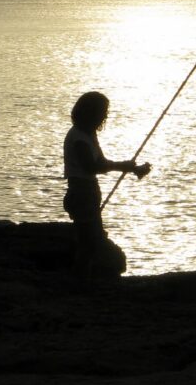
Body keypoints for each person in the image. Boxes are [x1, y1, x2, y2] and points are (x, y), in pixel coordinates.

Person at [62, 91, 150, 277]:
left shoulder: (88, 134)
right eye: (102, 112)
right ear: (90, 112)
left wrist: (132, 169)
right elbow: (91, 167)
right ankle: (79, 279)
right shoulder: (78, 138)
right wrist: (123, 166)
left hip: (89, 192)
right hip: (81, 193)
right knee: (89, 242)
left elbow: (101, 163)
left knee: (92, 240)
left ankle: (83, 276)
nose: (105, 116)